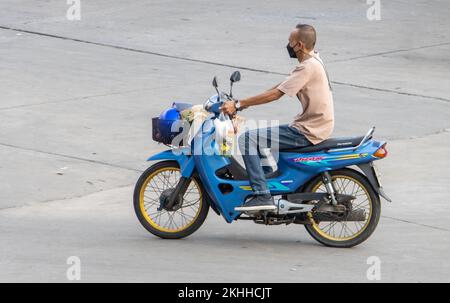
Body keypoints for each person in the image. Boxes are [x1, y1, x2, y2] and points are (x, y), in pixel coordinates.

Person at [221, 24, 334, 211]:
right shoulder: (314, 60)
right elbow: (278, 88)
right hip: (316, 124)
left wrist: (238, 104)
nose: (287, 45)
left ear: (299, 45)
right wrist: (242, 104)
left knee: (248, 139)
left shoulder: (307, 67)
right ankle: (263, 180)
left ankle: (261, 194)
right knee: (261, 136)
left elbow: (275, 95)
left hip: (309, 130)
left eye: (290, 42)